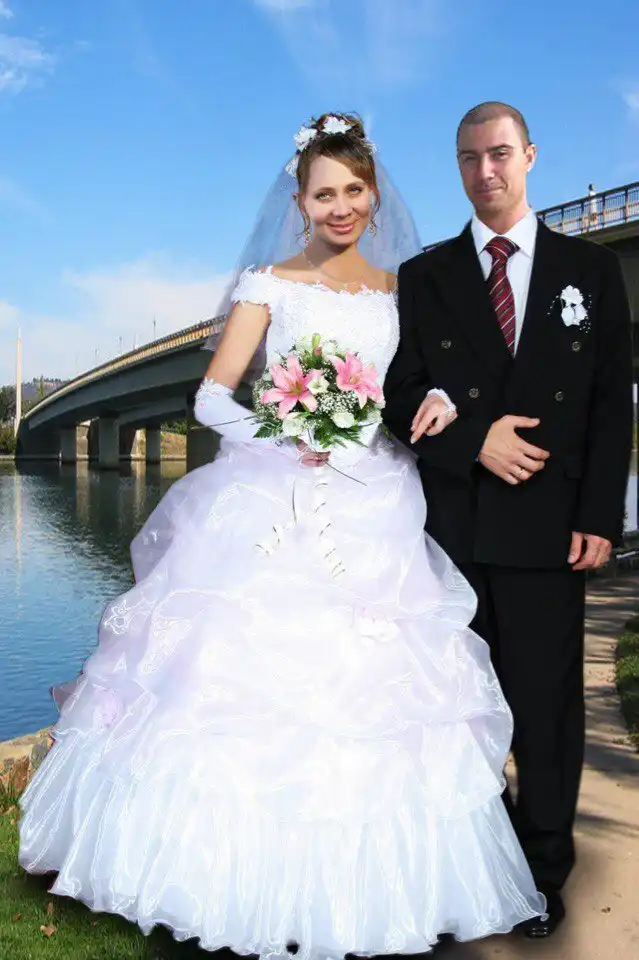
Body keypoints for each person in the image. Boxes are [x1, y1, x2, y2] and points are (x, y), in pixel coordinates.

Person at [19, 113, 545, 959]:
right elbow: (210, 397)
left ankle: (375, 891)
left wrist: (439, 399)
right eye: (323, 193)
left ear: (374, 196)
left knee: (378, 685)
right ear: (299, 202)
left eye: (353, 191)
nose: (340, 207)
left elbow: (425, 379)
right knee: (234, 676)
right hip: (275, 491)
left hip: (375, 498)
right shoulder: (269, 284)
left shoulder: (405, 288)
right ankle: (217, 880)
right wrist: (285, 428)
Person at [384, 101, 634, 940]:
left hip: (548, 527)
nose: (484, 171)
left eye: (498, 154)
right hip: (452, 528)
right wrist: (473, 441)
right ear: (456, 167)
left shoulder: (589, 269)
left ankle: (541, 873)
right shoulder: (423, 277)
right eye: (468, 158)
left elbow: (608, 404)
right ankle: (476, 869)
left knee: (544, 708)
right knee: (460, 710)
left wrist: (601, 515)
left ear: (528, 156)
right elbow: (398, 395)